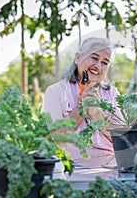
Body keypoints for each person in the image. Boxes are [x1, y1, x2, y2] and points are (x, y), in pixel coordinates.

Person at [42, 37, 122, 168]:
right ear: (77, 58)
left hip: (110, 164)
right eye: (94, 58)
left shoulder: (112, 93)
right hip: (69, 166)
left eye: (104, 62)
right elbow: (55, 137)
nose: (98, 66)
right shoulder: (55, 91)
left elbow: (123, 139)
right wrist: (81, 110)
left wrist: (97, 115)